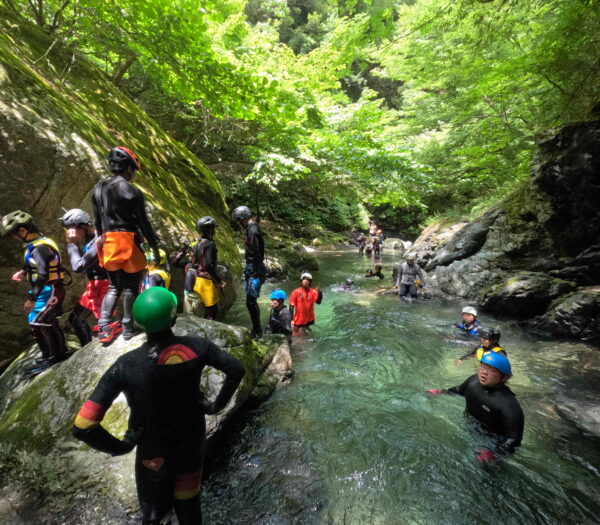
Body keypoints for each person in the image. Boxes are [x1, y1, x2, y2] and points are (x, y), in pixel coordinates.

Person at [72, 286, 245, 525]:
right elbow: (236, 369)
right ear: (173, 318)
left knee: (153, 516)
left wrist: (121, 446)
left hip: (153, 452)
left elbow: (83, 425)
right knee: (189, 508)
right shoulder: (199, 346)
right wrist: (216, 406)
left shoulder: (125, 365)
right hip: (190, 445)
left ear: (138, 324)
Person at [91, 146, 160, 344]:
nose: (134, 175)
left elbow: (97, 221)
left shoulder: (98, 189)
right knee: (131, 286)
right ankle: (128, 327)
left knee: (114, 286)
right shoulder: (132, 191)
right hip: (127, 241)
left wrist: (101, 241)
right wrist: (154, 247)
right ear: (128, 168)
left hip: (107, 242)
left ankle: (104, 326)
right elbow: (143, 222)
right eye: (133, 170)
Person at [1, 210, 68, 374]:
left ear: (22, 230)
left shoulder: (40, 248)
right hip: (48, 289)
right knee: (46, 322)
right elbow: (36, 265)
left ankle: (53, 357)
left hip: (49, 290)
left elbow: (43, 274)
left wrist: (31, 298)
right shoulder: (38, 243)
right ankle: (57, 352)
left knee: (39, 323)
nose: (13, 239)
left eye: (13, 235)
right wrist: (24, 272)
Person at [428, 352, 524, 463]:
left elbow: (514, 439)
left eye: (492, 371)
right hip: (468, 427)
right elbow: (459, 390)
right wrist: (441, 392)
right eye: (483, 367)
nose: (484, 372)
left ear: (504, 377)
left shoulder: (508, 404)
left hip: (491, 442)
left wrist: (494, 454)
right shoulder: (473, 382)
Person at [62, 208, 111, 347]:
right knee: (75, 319)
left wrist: (71, 244)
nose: (70, 232)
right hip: (96, 285)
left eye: (72, 229)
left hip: (104, 286)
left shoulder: (100, 239)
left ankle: (91, 348)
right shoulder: (91, 238)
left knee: (101, 323)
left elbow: (78, 266)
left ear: (82, 226)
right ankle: (87, 348)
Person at [231, 206, 265, 339]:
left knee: (250, 302)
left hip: (254, 269)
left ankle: (257, 330)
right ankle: (256, 329)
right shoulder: (252, 228)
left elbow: (256, 252)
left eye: (239, 221)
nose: (239, 224)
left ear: (242, 219)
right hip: (253, 268)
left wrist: (255, 274)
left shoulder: (252, 230)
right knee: (251, 302)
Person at [184, 216, 226, 321]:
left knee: (205, 312)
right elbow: (207, 265)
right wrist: (219, 280)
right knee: (212, 313)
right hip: (206, 282)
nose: (215, 230)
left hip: (198, 280)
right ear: (210, 230)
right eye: (214, 228)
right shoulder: (209, 244)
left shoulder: (199, 242)